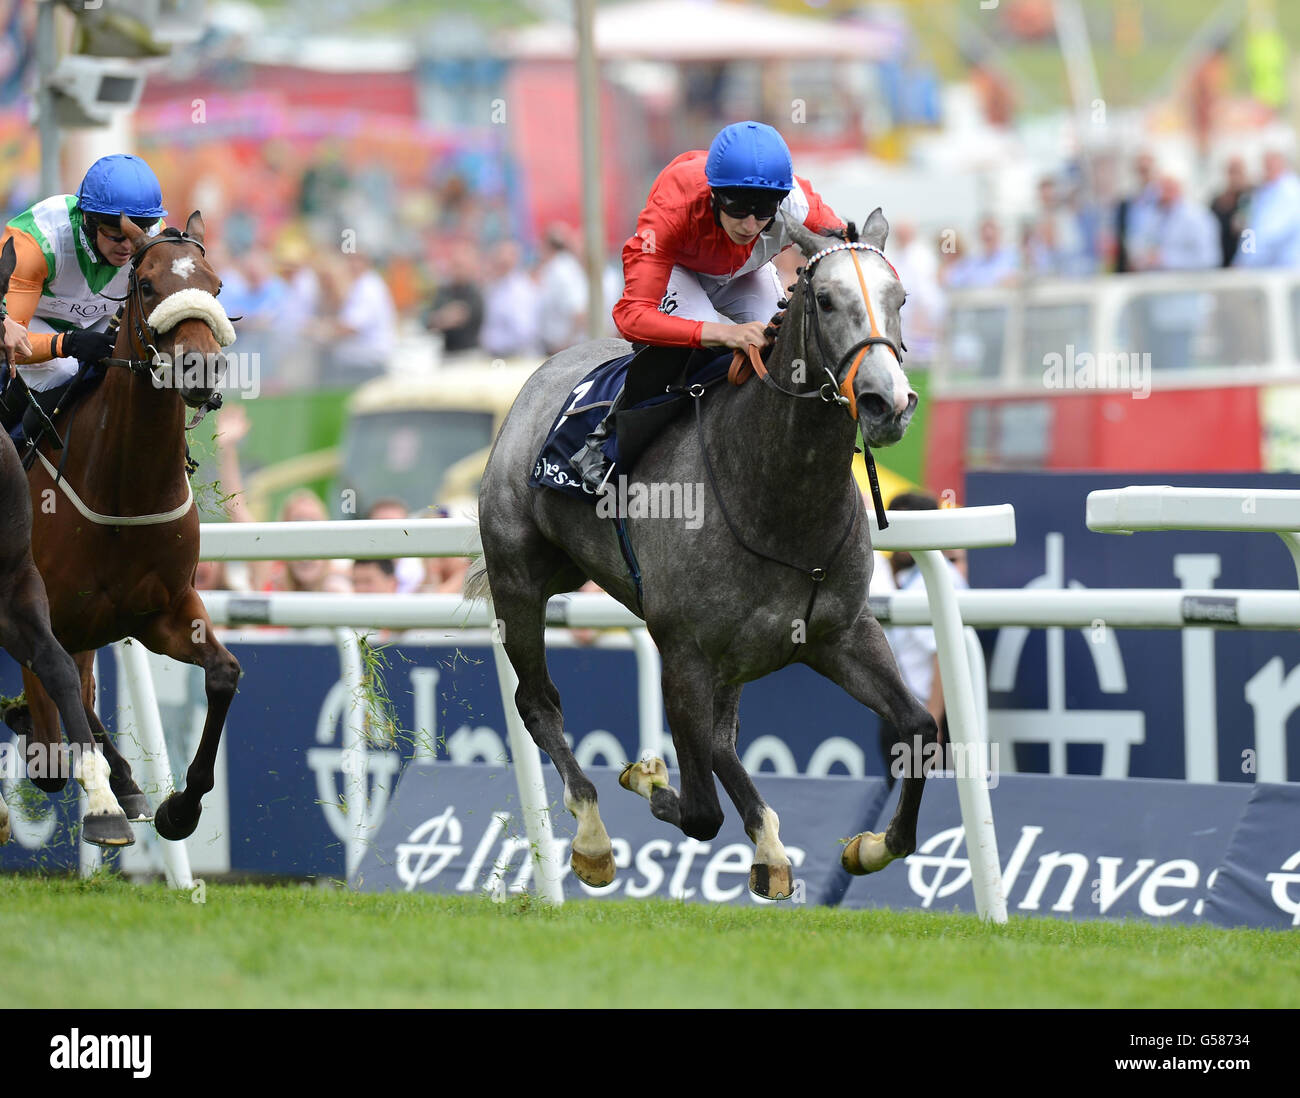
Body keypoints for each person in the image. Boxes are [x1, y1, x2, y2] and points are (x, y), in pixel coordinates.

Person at [570, 120, 846, 491]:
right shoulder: (673, 207)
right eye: (737, 206)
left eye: (764, 210)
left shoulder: (801, 204)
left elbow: (862, 259)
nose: (750, 224)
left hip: (745, 271)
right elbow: (630, 317)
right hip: (680, 269)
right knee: (696, 339)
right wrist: (722, 333)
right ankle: (607, 438)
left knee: (781, 348)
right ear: (714, 195)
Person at [0, 154, 166, 426]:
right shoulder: (37, 240)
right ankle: (15, 448)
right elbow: (7, 342)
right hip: (33, 324)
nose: (127, 246)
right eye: (116, 234)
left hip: (100, 318)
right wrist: (67, 343)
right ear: (89, 222)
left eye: (137, 233)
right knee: (62, 370)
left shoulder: (156, 239)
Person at [877, 491, 968, 787]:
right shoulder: (913, 579)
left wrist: (934, 719)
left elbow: (945, 654)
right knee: (905, 798)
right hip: (908, 713)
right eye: (888, 524)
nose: (893, 537)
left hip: (934, 718)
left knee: (938, 801)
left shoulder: (936, 581)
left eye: (902, 526)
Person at [1210, 157, 1252, 268]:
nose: (1235, 177)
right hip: (1221, 262)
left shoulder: (1252, 199)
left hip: (1245, 265)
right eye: (1232, 172)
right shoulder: (1218, 201)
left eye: (1238, 172)